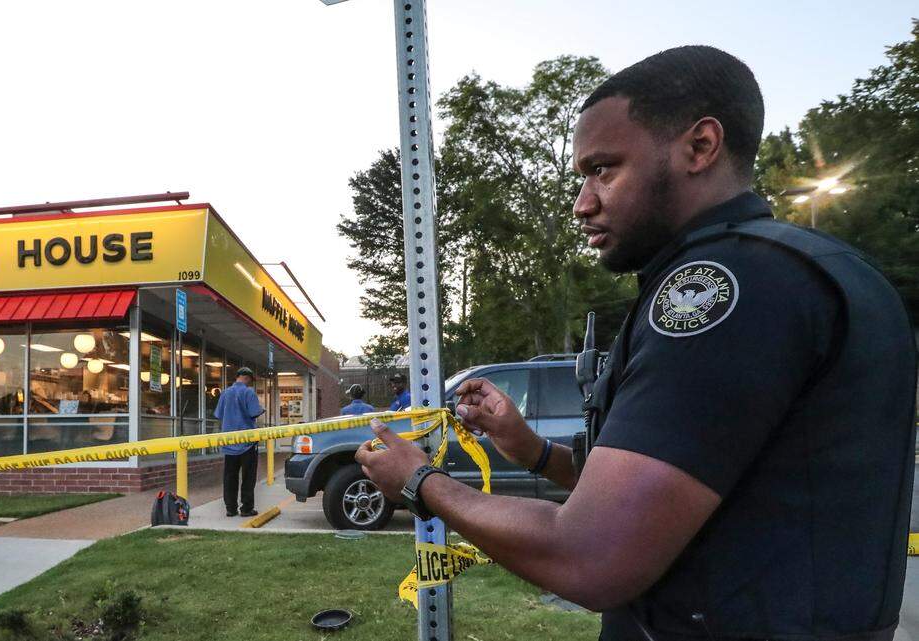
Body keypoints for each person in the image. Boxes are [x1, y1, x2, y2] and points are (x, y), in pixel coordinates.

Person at [355, 45, 916, 641]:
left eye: (604, 169)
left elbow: (590, 556)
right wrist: (528, 448)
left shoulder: (723, 290)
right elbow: (685, 489)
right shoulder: (806, 267)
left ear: (700, 147)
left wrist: (420, 482)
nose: (583, 203)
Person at [214, 366, 264, 517]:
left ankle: (230, 508)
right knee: (248, 478)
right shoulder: (248, 392)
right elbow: (254, 412)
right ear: (247, 378)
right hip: (247, 444)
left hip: (229, 443)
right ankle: (246, 508)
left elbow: (218, 414)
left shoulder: (225, 393)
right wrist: (262, 409)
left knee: (230, 477)